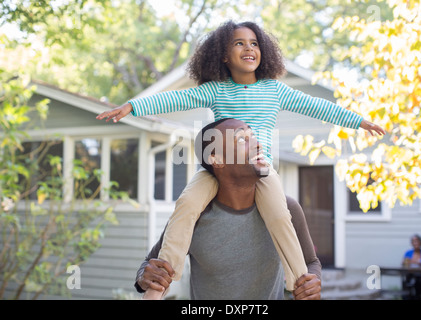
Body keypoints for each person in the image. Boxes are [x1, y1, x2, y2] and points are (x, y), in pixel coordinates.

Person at [97, 20, 385, 299]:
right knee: (186, 205)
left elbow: (318, 107)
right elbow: (175, 100)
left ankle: (300, 286)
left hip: (262, 170)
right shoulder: (216, 89)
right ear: (224, 54)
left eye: (254, 43)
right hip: (215, 171)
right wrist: (132, 106)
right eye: (239, 43)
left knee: (279, 217)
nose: (249, 48)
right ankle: (158, 289)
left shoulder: (275, 90)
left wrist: (358, 121)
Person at [135, 118, 322, 300]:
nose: (257, 144)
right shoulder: (193, 217)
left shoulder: (287, 208)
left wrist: (313, 283)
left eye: (254, 136)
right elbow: (149, 264)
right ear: (217, 160)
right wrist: (145, 277)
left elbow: (311, 263)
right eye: (242, 139)